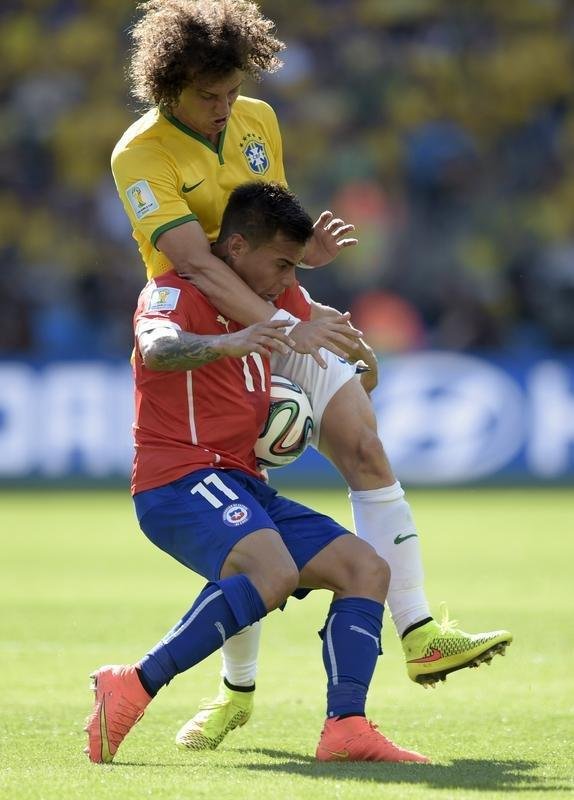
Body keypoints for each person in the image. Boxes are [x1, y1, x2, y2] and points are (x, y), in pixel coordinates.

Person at [111, 0, 512, 751]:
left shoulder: (257, 120)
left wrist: (310, 299)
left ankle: (419, 629)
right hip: (210, 324)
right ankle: (235, 692)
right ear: (167, 87)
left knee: (363, 441)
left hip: (276, 309)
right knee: (245, 509)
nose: (224, 107)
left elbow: (269, 237)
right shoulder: (140, 154)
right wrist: (287, 330)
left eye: (232, 90)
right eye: (208, 94)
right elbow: (198, 264)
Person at [84, 182, 429, 765]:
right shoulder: (173, 290)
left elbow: (344, 358)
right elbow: (158, 348)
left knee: (367, 569)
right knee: (271, 571)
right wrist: (233, 343)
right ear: (237, 247)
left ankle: (346, 727)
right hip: (177, 479)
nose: (288, 280)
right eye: (282, 264)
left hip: (240, 481)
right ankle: (133, 683)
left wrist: (358, 364)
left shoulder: (273, 302)